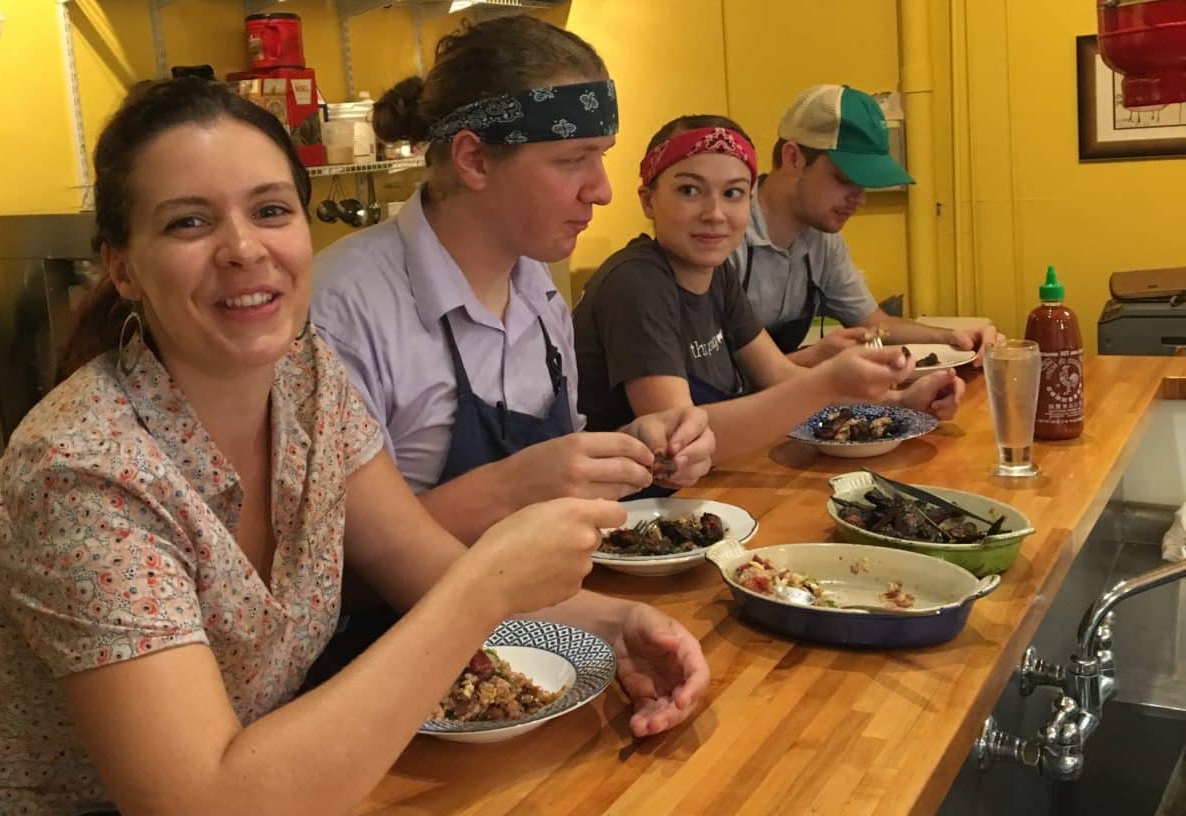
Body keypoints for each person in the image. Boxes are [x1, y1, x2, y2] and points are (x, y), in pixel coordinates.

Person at [0, 78, 709, 816]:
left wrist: (613, 627)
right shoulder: (79, 473)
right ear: (122, 267)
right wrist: (488, 582)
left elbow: (420, 565)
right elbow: (206, 802)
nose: (242, 249)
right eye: (188, 224)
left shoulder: (305, 378)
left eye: (270, 211)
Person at [311, 16, 714, 545]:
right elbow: (329, 566)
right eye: (573, 160)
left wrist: (631, 452)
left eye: (602, 156)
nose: (602, 190)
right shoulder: (342, 311)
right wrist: (512, 488)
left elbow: (559, 479)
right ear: (474, 159)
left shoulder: (538, 291)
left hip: (546, 613)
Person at [573, 115, 963, 462]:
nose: (715, 213)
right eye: (690, 191)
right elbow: (681, 444)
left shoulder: (718, 275)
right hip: (630, 511)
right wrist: (827, 383)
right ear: (648, 200)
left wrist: (899, 403)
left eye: (733, 193)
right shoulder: (637, 283)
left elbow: (779, 375)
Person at [731, 84, 999, 364]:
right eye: (845, 179)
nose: (859, 200)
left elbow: (876, 325)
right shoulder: (725, 235)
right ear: (793, 158)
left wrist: (955, 336)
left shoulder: (822, 240)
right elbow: (710, 379)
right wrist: (817, 358)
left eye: (865, 185)